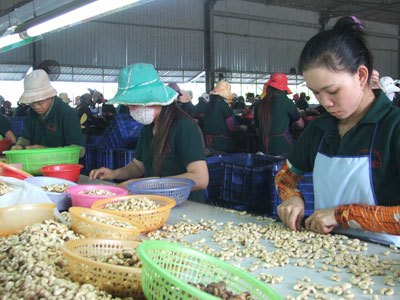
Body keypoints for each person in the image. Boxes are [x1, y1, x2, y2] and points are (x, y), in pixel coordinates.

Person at [276, 16, 400, 246]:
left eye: (332, 91)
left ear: (361, 76)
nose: (325, 103)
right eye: (316, 93)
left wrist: (342, 215)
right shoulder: (320, 129)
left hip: (387, 258)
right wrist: (292, 198)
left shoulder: (393, 128)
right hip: (326, 251)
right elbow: (285, 177)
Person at [89, 63, 208, 202]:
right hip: (156, 202)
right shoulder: (148, 128)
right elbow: (138, 166)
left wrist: (151, 184)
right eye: (130, 106)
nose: (132, 110)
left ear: (154, 98)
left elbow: (200, 178)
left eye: (135, 104)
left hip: (186, 205)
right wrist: (114, 173)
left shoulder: (184, 127)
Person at [11, 70, 85, 157]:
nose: (36, 107)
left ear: (50, 95)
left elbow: (79, 150)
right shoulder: (32, 113)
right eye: (31, 103)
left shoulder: (67, 113)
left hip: (61, 167)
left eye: (40, 102)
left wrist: (47, 151)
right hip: (36, 163)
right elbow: (26, 137)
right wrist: (19, 146)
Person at [254, 74, 304, 157]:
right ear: (284, 87)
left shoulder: (259, 104)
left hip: (263, 148)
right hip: (283, 148)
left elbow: (257, 130)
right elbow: (301, 125)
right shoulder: (286, 102)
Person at [203, 81, 241, 153]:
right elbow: (232, 127)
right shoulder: (223, 105)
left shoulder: (207, 105)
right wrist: (241, 128)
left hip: (209, 142)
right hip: (222, 143)